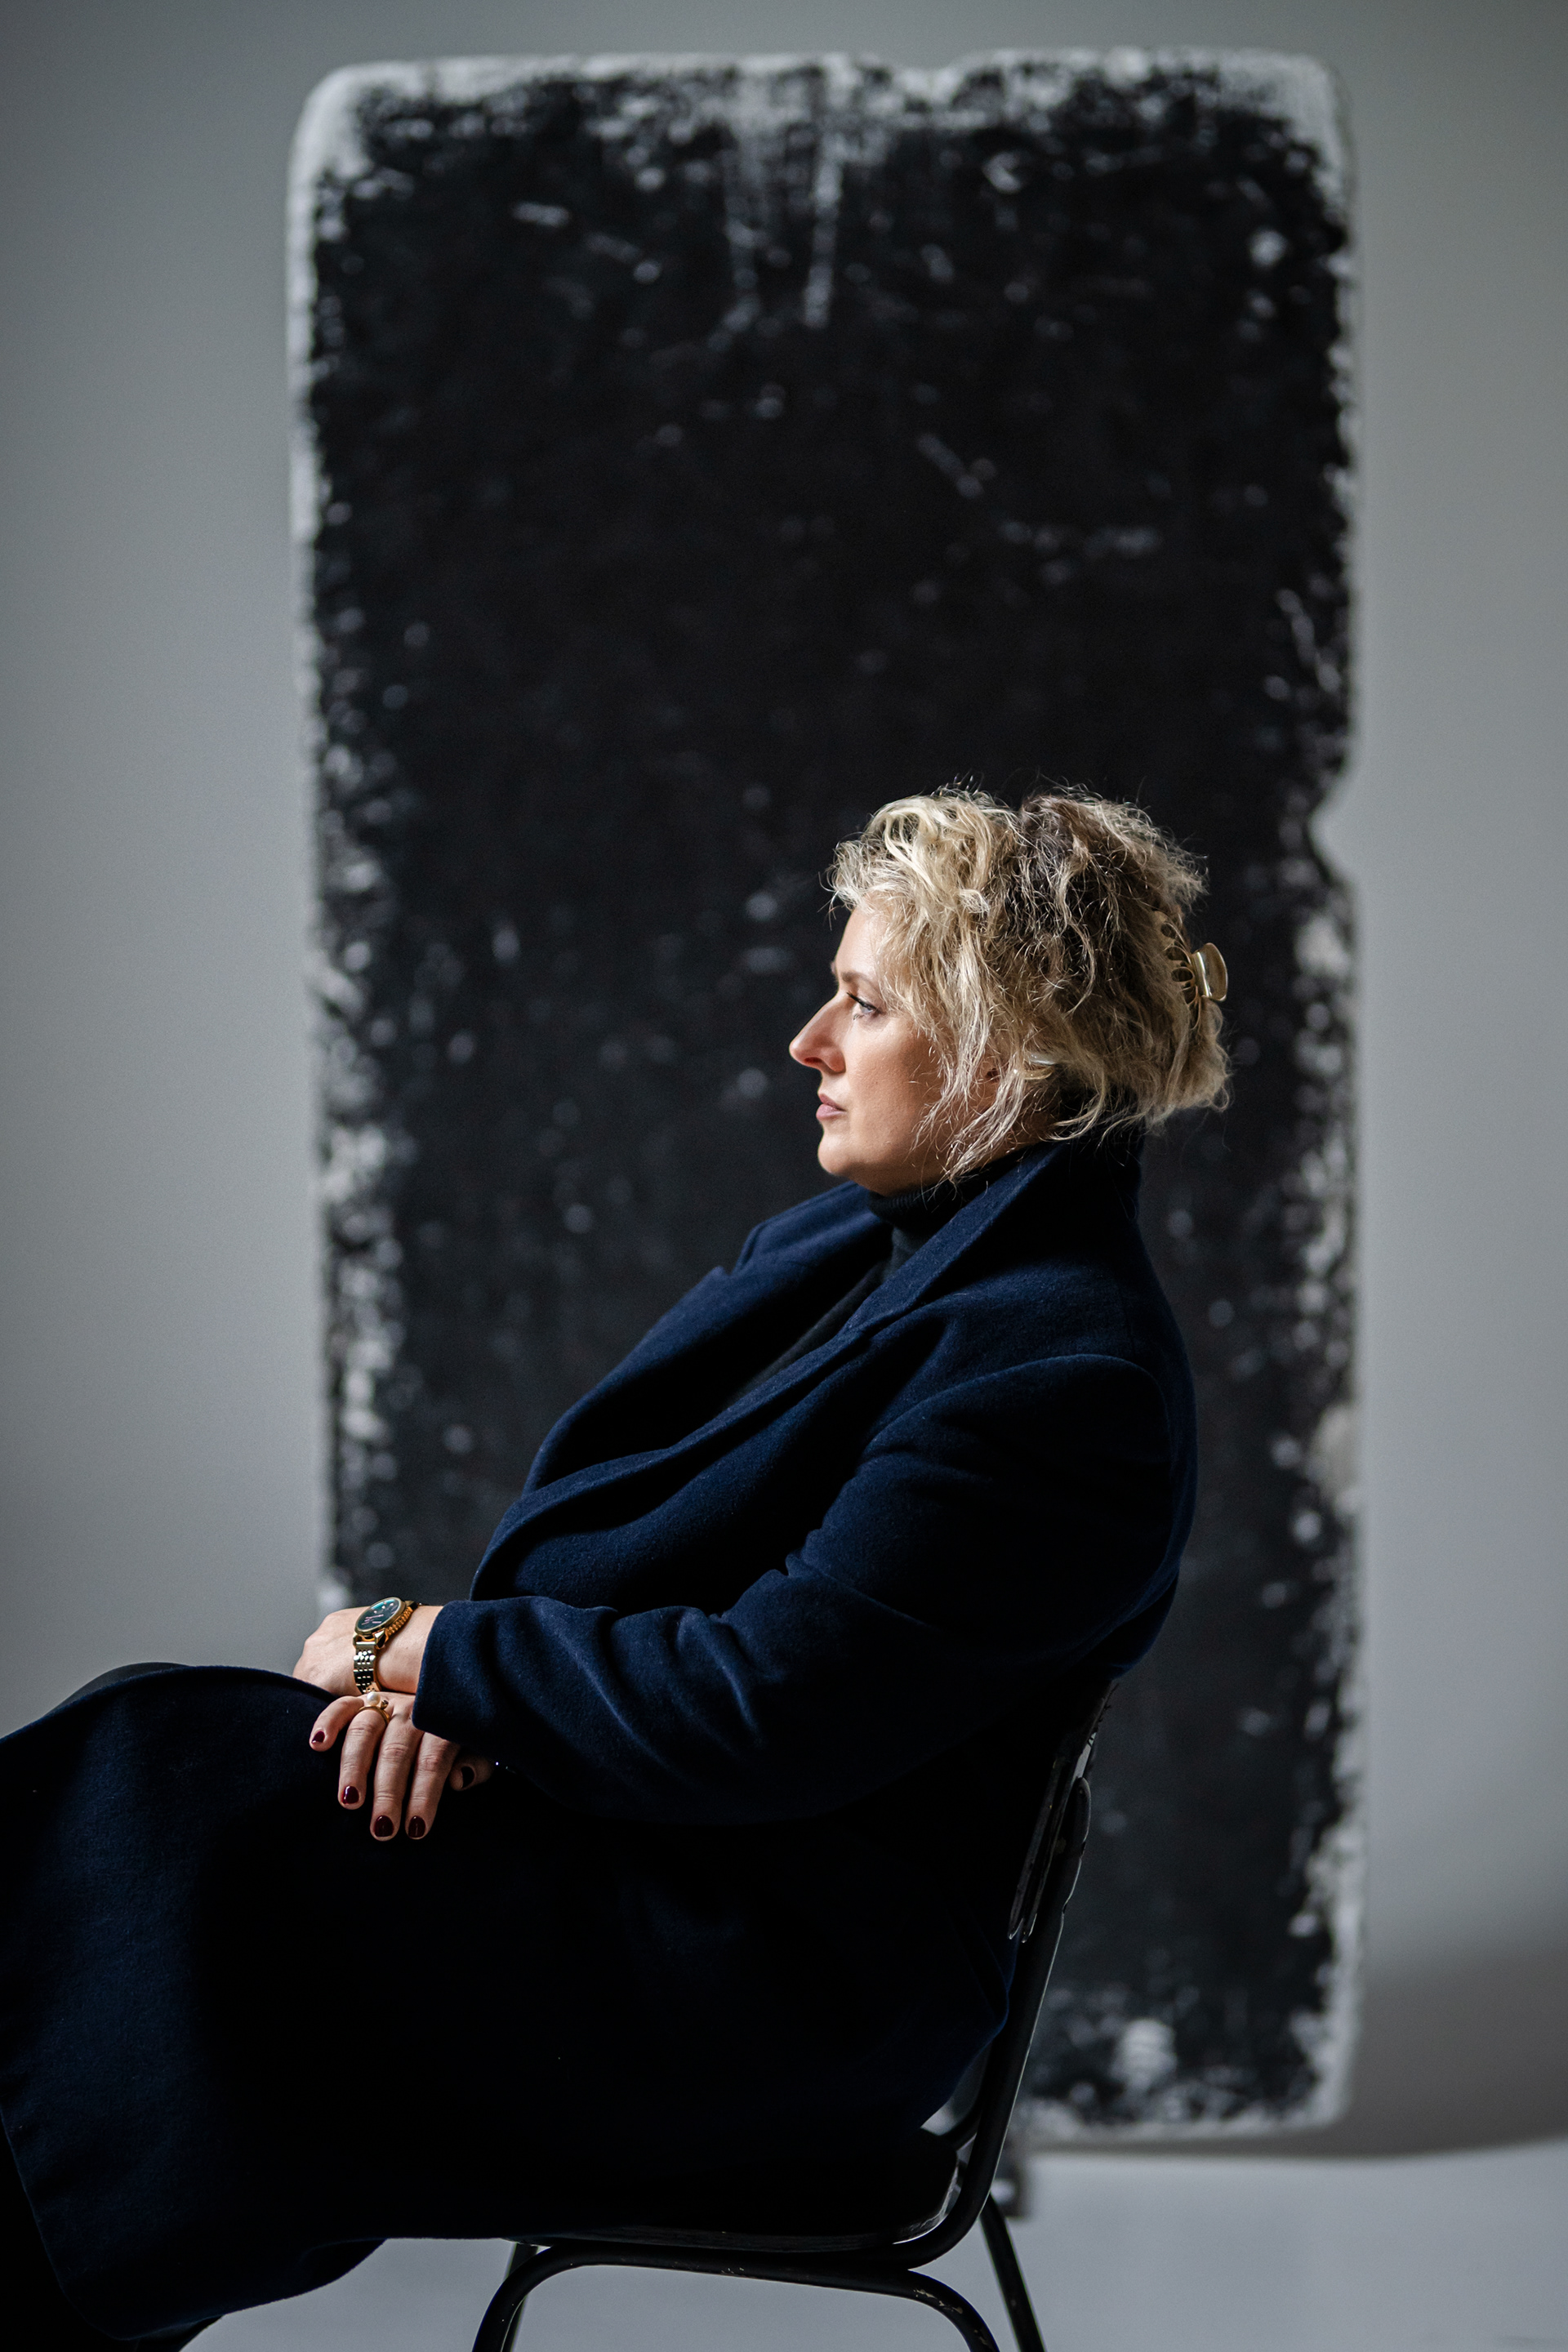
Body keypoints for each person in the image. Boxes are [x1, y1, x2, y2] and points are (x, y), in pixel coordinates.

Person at [0, 787, 1227, 2346]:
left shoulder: (1063, 1373)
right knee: (180, 1779)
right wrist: (458, 1698)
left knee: (192, 1823)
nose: (809, 1041)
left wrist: (428, 1653)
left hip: (768, 1981)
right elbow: (621, 1563)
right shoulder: (870, 1250)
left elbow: (768, 1701)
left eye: (866, 1004)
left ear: (1015, 1056)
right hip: (661, 1856)